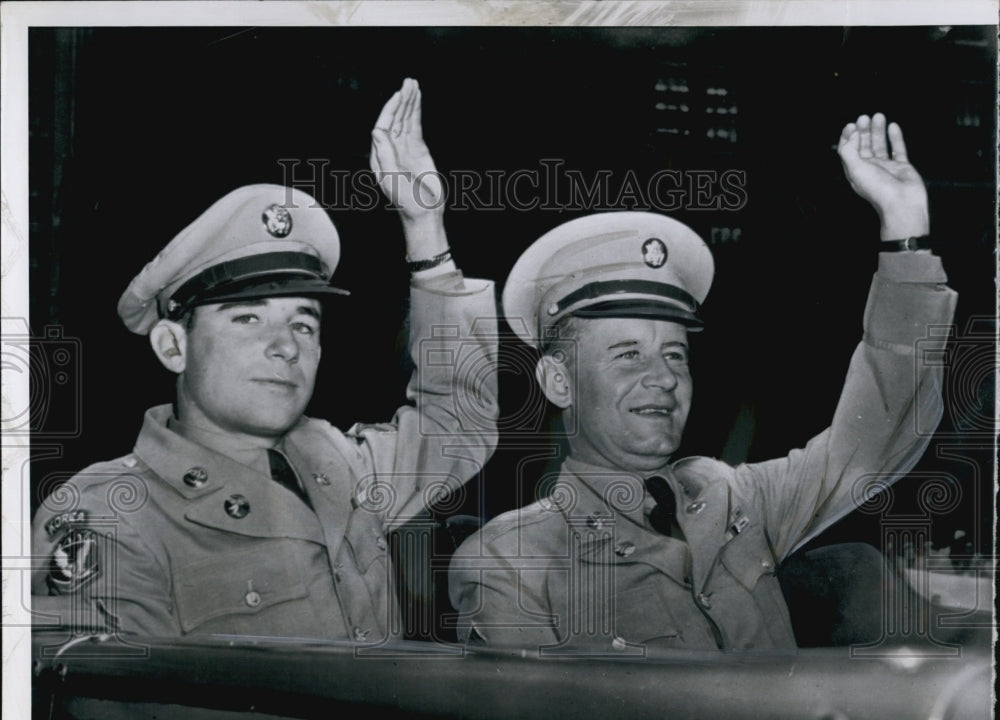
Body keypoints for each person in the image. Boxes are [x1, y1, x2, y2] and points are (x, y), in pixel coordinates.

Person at [449, 113, 957, 652]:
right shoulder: (510, 563)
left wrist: (905, 229)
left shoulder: (734, 496)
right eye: (627, 355)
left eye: (675, 353)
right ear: (558, 381)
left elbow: (873, 438)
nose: (664, 377)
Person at [32, 79, 498, 642]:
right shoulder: (111, 515)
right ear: (172, 347)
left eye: (303, 322)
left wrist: (426, 232)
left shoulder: (339, 465)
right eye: (247, 318)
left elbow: (458, 427)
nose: (285, 345)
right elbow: (119, 718)